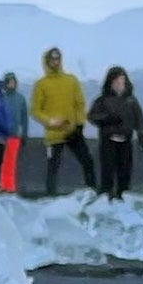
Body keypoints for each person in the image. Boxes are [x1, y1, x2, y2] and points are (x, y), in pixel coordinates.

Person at [31, 48, 94, 195]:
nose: (55, 62)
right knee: (53, 167)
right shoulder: (41, 84)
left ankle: (93, 192)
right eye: (52, 59)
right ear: (46, 62)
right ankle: (50, 197)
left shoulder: (71, 81)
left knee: (87, 161)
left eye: (57, 59)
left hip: (73, 132)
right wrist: (49, 121)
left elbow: (80, 104)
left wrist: (79, 125)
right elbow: (35, 110)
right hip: (54, 135)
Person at [89, 66, 143, 199]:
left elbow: (139, 120)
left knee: (124, 174)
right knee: (107, 174)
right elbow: (92, 116)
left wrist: (142, 136)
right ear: (110, 83)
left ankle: (123, 198)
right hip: (108, 141)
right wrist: (107, 119)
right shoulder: (102, 100)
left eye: (122, 81)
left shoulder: (131, 101)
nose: (119, 84)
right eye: (116, 81)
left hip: (125, 141)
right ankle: (105, 198)